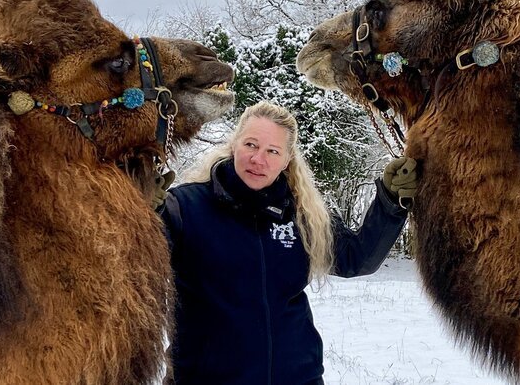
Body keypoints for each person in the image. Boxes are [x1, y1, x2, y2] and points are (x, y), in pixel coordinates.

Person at [160, 101, 417, 384]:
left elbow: (356, 258)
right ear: (235, 145)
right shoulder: (183, 207)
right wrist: (139, 211)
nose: (258, 159)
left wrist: (391, 202)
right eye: (251, 145)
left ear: (286, 160)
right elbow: (127, 264)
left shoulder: (303, 215)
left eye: (272, 151)